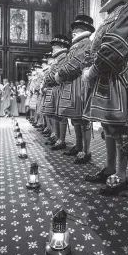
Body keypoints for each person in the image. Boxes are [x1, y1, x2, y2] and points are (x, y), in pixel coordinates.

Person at [82, 0, 128, 195]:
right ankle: (109, 168)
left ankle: (122, 175)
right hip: (104, 77)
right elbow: (96, 46)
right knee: (107, 127)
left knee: (119, 129)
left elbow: (115, 46)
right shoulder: (109, 17)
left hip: (116, 78)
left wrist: (94, 69)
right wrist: (88, 65)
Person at [55, 15, 95, 163]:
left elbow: (75, 63)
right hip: (73, 83)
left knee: (84, 119)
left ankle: (86, 151)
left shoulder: (85, 43)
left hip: (81, 83)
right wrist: (61, 71)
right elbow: (67, 62)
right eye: (74, 28)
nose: (74, 30)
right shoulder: (76, 45)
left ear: (85, 29)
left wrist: (61, 72)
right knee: (76, 119)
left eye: (77, 28)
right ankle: (79, 146)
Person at [41, 35, 70, 150]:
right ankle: (57, 136)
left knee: (61, 115)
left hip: (59, 87)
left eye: (55, 46)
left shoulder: (63, 57)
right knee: (54, 114)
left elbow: (57, 73)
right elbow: (49, 75)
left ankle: (61, 139)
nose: (53, 48)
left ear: (61, 46)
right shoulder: (57, 59)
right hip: (54, 88)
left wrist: (50, 78)